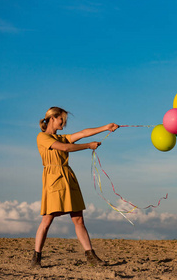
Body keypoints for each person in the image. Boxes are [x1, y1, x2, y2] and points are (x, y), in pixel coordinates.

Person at [31, 106, 119, 268]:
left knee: (78, 219)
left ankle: (91, 256)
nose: (63, 122)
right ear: (52, 118)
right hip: (53, 179)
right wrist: (88, 146)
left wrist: (106, 127)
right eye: (61, 119)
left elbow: (83, 133)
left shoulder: (63, 137)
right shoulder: (42, 137)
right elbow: (65, 148)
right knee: (47, 220)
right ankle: (36, 258)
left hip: (68, 178)